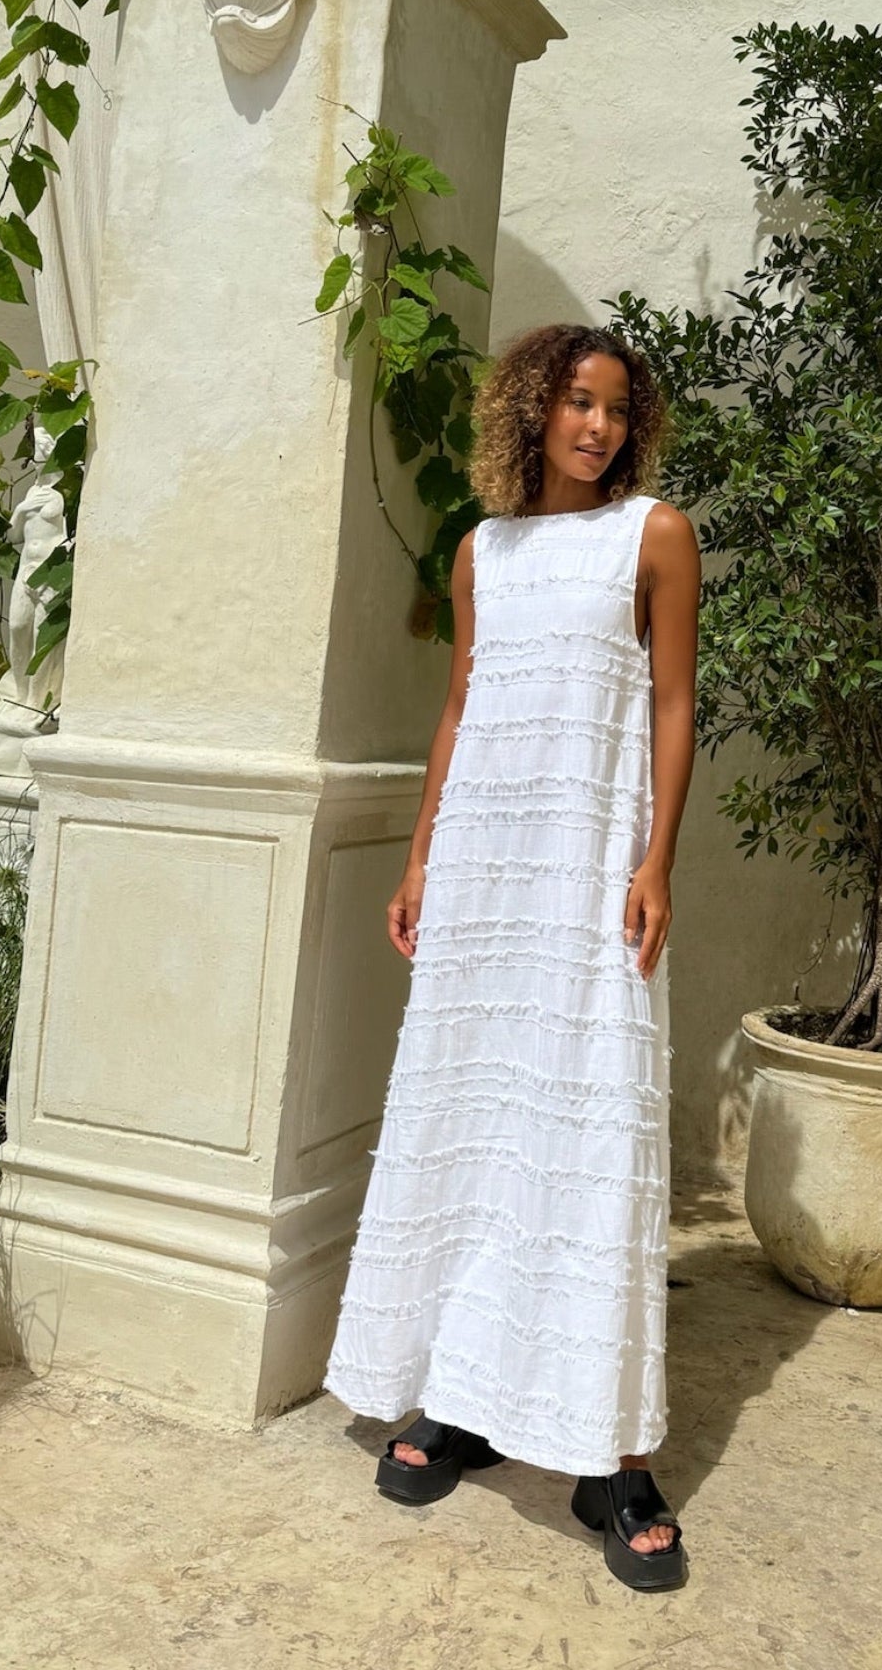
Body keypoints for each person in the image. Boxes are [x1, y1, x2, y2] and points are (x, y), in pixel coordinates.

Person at [323, 321, 701, 1592]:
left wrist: (654, 860)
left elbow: (673, 703)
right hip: (486, 869)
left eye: (616, 406)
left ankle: (613, 1456)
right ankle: (461, 1396)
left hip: (589, 870)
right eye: (577, 401)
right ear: (533, 409)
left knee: (592, 1133)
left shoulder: (653, 534)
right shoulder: (481, 550)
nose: (597, 425)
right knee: (475, 1119)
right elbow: (459, 707)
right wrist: (421, 857)